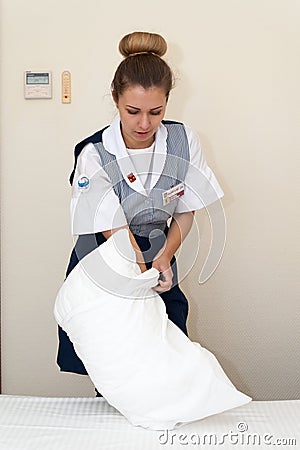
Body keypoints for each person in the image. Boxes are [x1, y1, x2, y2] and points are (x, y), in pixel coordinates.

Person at [56, 31, 224, 381]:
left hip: (159, 251)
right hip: (109, 258)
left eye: (156, 111)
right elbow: (114, 229)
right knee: (119, 359)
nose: (144, 124)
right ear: (115, 99)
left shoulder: (183, 141)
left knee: (169, 350)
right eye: (132, 111)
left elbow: (186, 209)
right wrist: (142, 271)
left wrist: (164, 257)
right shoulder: (95, 154)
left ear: (167, 102)